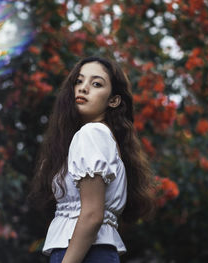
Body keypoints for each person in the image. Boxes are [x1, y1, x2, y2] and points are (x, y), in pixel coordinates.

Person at [28, 56, 157, 263]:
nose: (83, 88)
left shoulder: (91, 133)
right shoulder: (101, 138)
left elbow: (92, 215)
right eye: (78, 81)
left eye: (96, 84)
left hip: (82, 253)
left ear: (113, 100)